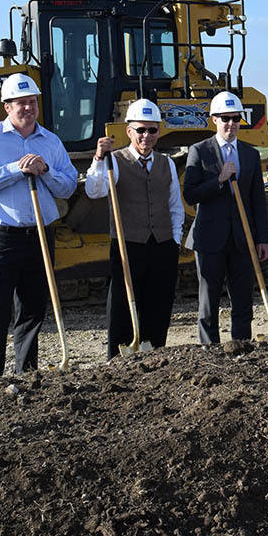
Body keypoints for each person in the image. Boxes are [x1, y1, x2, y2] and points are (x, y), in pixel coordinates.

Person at [0, 73, 78, 379]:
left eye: (32, 102)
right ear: (7, 106)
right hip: (2, 238)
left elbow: (67, 187)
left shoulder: (51, 142)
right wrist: (16, 169)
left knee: (32, 309)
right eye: (21, 103)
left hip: (40, 235)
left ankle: (26, 374)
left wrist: (45, 171)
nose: (28, 108)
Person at [85, 99, 183, 358]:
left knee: (159, 304)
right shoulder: (114, 161)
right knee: (122, 304)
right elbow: (94, 191)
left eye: (152, 130)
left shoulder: (167, 163)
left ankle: (155, 352)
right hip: (128, 243)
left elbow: (175, 204)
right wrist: (98, 159)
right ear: (129, 131)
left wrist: (174, 238)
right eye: (140, 130)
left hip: (162, 244)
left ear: (159, 131)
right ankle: (117, 358)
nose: (146, 136)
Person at [183, 91, 268, 344]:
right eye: (225, 119)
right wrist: (218, 181)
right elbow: (190, 194)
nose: (231, 124)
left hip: (242, 238)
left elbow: (258, 201)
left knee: (243, 299)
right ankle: (209, 351)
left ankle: (240, 347)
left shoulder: (250, 154)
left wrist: (262, 238)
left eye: (235, 119)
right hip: (210, 239)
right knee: (209, 301)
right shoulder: (199, 151)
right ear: (214, 120)